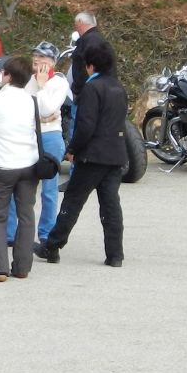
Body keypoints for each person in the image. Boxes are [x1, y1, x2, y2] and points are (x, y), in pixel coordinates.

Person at [37, 40, 127, 268]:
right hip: (115, 154)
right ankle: (115, 254)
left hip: (92, 155)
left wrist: (72, 149)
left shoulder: (91, 88)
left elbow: (85, 126)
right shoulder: (118, 88)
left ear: (90, 66)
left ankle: (52, 245)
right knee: (110, 205)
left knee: (73, 201)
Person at [0, 55, 41, 283]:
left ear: (7, 76)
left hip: (2, 164)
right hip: (29, 164)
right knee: (26, 215)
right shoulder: (31, 100)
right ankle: (22, 267)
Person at [8, 42, 68, 247]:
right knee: (17, 183)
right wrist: (40, 115)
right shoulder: (26, 80)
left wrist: (41, 87)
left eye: (43, 56)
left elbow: (45, 109)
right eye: (35, 55)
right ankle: (10, 232)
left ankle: (46, 233)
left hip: (51, 136)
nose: (37, 59)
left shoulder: (59, 82)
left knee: (49, 189)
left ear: (53, 62)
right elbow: (18, 108)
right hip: (27, 135)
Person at [69, 11, 104, 99]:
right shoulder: (98, 39)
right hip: (94, 90)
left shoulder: (88, 41)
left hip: (85, 93)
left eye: (75, 24)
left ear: (80, 22)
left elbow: (87, 68)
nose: (75, 27)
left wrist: (77, 89)